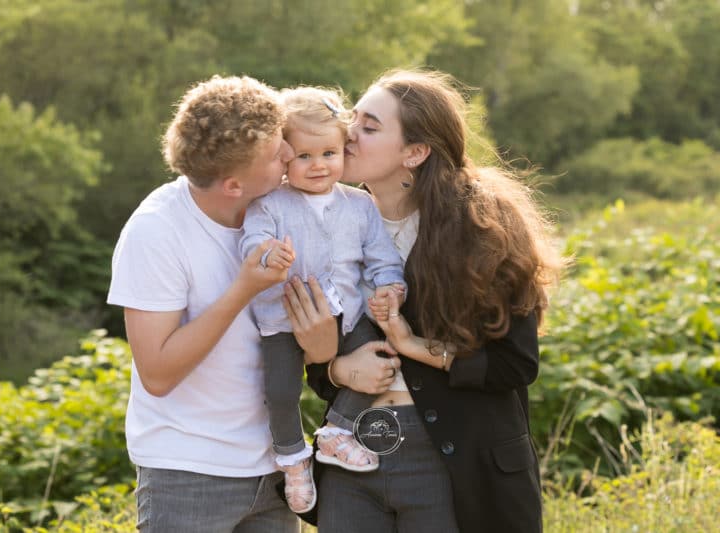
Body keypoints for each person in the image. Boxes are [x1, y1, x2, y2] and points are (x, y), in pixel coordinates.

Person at [285, 69, 565, 532]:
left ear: (414, 153)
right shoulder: (321, 222)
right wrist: (334, 367)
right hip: (351, 461)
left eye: (369, 127)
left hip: (454, 463)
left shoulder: (484, 231)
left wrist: (416, 346)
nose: (348, 133)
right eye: (353, 118)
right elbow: (316, 361)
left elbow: (516, 366)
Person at [107, 75, 300, 533]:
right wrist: (242, 290)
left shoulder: (285, 211)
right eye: (277, 155)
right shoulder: (156, 231)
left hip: (274, 469)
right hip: (186, 475)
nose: (290, 155)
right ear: (234, 185)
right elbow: (156, 373)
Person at [239, 86, 406, 514]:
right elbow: (252, 240)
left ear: (342, 151)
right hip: (281, 318)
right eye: (304, 157)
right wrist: (265, 252)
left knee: (383, 354)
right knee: (278, 391)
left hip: (348, 317)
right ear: (283, 158)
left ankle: (337, 431)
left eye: (329, 154)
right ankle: (293, 459)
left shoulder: (359, 204)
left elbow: (381, 257)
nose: (318, 166)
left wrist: (390, 285)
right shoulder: (269, 204)